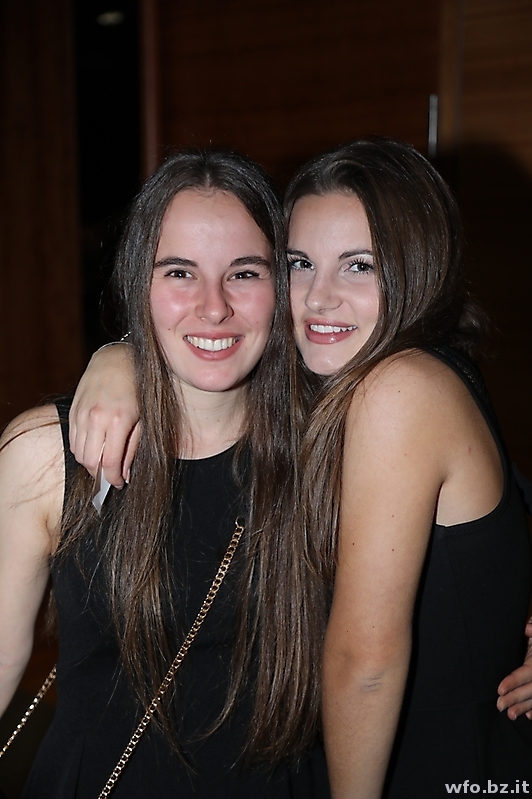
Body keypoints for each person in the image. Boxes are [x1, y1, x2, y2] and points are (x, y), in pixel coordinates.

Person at [69, 138, 532, 798]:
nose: (318, 297)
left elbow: (364, 663)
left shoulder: (397, 390)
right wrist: (121, 354)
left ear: (416, 267)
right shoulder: (368, 384)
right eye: (299, 263)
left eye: (359, 265)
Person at [0, 149, 330, 797]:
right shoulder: (46, 454)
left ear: (282, 288)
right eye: (180, 272)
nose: (213, 307)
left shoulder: (331, 447)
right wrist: (121, 350)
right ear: (138, 283)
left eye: (244, 273)